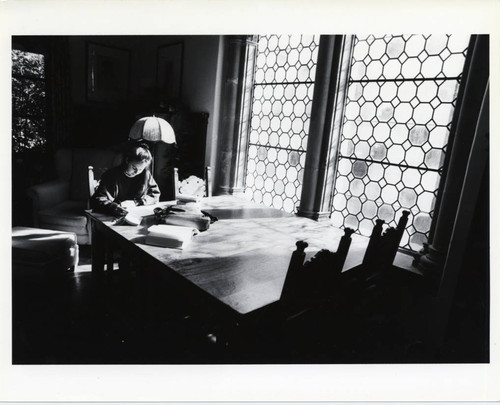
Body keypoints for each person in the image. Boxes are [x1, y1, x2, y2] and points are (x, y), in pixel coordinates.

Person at [90, 141, 160, 216]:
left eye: (141, 169)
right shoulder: (111, 175)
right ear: (127, 160)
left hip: (136, 214)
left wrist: (137, 202)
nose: (136, 172)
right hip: (113, 216)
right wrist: (114, 207)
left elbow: (155, 194)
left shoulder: (145, 174)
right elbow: (98, 200)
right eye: (134, 167)